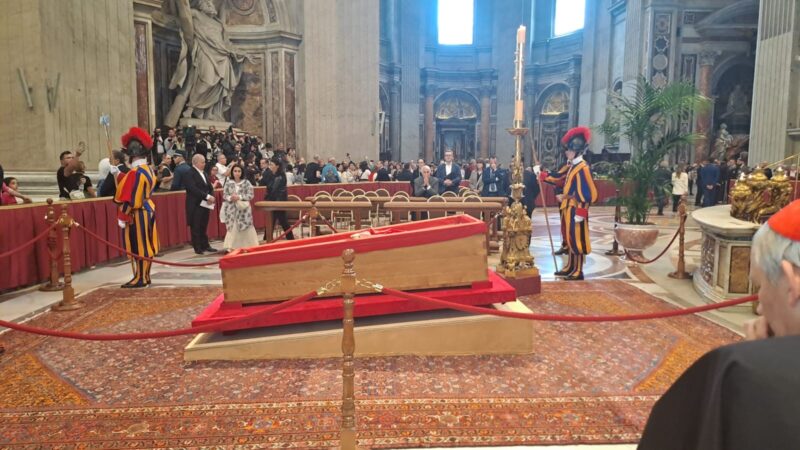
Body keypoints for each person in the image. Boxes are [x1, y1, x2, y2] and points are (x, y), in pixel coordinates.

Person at [638, 200, 800, 450]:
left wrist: (760, 364)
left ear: (792, 283)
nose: (759, 308)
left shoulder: (740, 373)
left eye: (760, 286)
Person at [536, 126, 598, 280]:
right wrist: (541, 174)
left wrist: (581, 212)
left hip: (576, 209)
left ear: (577, 151)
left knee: (577, 239)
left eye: (569, 150)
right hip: (568, 207)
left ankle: (578, 269)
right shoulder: (572, 166)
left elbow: (587, 194)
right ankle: (570, 266)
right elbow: (559, 179)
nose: (566, 153)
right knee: (570, 238)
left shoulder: (583, 168)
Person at [113, 127, 160, 288]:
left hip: (138, 212)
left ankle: (140, 278)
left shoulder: (136, 172)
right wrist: (118, 175)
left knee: (139, 246)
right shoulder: (147, 170)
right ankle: (145, 276)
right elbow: (134, 185)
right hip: (148, 209)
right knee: (147, 244)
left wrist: (123, 215)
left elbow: (131, 197)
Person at [184, 154, 217, 255]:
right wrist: (207, 197)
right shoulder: (189, 173)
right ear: (196, 163)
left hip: (205, 204)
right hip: (195, 204)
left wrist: (211, 196)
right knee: (196, 226)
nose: (204, 164)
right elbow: (193, 189)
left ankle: (205, 245)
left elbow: (210, 187)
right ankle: (198, 247)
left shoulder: (204, 173)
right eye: (202, 162)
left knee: (203, 225)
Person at [221, 165, 259, 251]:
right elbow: (225, 195)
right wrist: (231, 198)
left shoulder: (246, 183)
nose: (237, 173)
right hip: (231, 209)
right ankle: (231, 247)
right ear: (232, 172)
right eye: (235, 171)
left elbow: (250, 195)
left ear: (242, 172)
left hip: (243, 210)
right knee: (233, 227)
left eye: (239, 171)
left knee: (245, 227)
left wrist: (239, 197)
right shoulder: (228, 183)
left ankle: (248, 245)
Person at [540, 161, 571, 255]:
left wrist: (542, 175)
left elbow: (559, 179)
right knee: (565, 224)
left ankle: (574, 246)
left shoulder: (581, 167)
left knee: (575, 226)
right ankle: (566, 245)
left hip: (576, 203)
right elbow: (559, 179)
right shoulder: (568, 165)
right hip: (566, 202)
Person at [266, 157, 294, 240]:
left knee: (282, 221)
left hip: (279, 201)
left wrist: (273, 200)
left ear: (277, 166)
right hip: (272, 201)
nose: (270, 166)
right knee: (271, 221)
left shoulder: (281, 176)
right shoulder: (271, 175)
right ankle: (267, 239)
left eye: (272, 164)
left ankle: (290, 239)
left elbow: (275, 189)